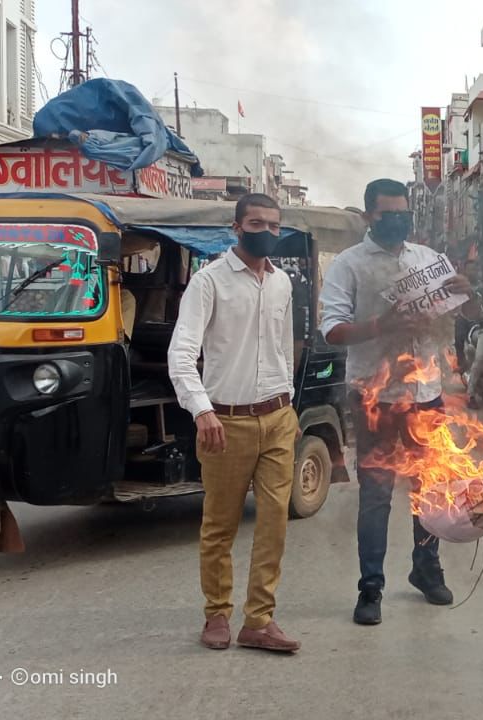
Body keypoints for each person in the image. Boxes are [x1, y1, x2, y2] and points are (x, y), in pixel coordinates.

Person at [319, 179, 476, 623]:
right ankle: (371, 587)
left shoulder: (428, 259)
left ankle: (426, 570)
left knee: (429, 490)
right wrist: (380, 325)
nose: (399, 220)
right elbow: (331, 330)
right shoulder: (349, 265)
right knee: (377, 497)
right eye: (389, 214)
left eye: (404, 213)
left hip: (426, 395)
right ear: (369, 215)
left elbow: (471, 314)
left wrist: (469, 291)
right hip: (376, 396)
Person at [167, 193, 301, 653]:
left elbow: (284, 348)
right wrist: (201, 409)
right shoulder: (209, 282)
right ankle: (216, 613)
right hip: (226, 422)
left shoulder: (282, 282)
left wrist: (290, 407)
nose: (266, 230)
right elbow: (181, 353)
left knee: (274, 524)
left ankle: (259, 620)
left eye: (274, 224)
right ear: (236, 226)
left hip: (278, 417)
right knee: (220, 526)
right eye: (257, 222)